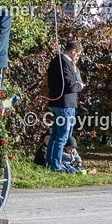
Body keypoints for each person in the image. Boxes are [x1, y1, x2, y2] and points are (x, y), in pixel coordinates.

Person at [45, 40, 83, 172]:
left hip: (56, 103)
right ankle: (56, 165)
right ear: (73, 51)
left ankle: (50, 162)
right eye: (77, 54)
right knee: (62, 136)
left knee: (55, 135)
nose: (77, 58)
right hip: (65, 104)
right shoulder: (65, 63)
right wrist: (80, 85)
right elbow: (70, 85)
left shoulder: (55, 60)